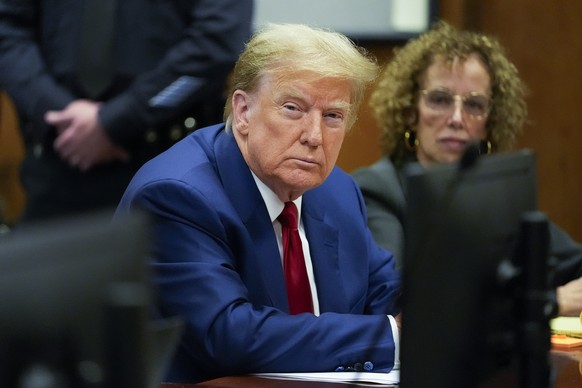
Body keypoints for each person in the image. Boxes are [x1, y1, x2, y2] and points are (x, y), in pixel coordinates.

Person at [116, 23, 401, 383]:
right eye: (293, 108)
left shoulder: (337, 191)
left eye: (333, 116)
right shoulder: (177, 196)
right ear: (244, 110)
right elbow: (229, 336)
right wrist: (389, 337)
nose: (314, 136)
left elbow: (386, 292)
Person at [352, 21, 582, 316]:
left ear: (489, 121)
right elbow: (404, 303)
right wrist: (550, 302)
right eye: (440, 99)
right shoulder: (379, 190)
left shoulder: (498, 195)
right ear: (410, 111)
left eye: (474, 105)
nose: (457, 118)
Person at [0, 0, 254, 223]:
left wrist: (115, 121)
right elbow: (7, 30)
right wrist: (55, 110)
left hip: (172, 168)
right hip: (59, 160)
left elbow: (219, 39)